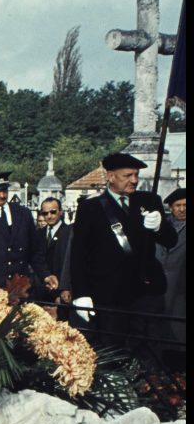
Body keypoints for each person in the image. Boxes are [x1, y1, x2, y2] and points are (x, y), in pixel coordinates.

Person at [68, 153, 176, 349]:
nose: (134, 180)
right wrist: (81, 294)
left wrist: (160, 226)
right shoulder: (90, 207)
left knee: (149, 351)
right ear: (110, 176)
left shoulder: (150, 201)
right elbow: (78, 254)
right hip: (109, 294)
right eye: (127, 175)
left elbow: (170, 240)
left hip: (145, 291)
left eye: (136, 175)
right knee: (112, 350)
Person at [154, 187, 185, 361]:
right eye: (178, 205)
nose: (182, 209)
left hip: (181, 284)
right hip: (159, 283)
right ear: (171, 208)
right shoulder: (161, 226)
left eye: (186, 205)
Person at [35, 197, 72, 315]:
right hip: (40, 291)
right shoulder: (38, 234)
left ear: (61, 212)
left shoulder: (69, 232)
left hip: (61, 291)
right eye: (45, 213)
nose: (49, 216)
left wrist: (62, 290)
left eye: (53, 212)